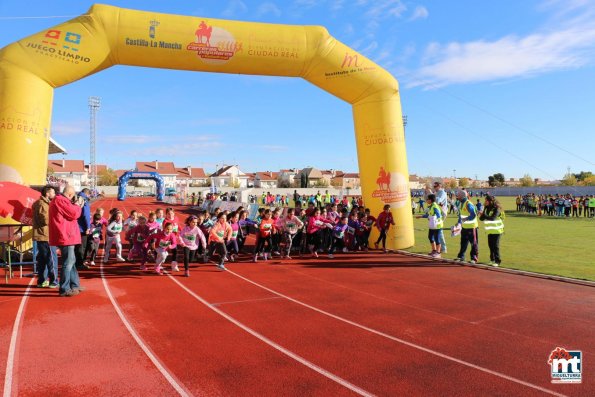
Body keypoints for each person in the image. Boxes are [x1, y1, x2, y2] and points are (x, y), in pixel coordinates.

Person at [49, 185, 83, 297]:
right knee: (67, 263)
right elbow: (74, 214)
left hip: (67, 235)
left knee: (71, 261)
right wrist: (77, 205)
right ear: (70, 194)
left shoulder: (60, 200)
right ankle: (64, 288)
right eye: (72, 196)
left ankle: (75, 285)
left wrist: (75, 205)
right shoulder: (60, 200)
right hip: (66, 235)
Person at [32, 185, 58, 288]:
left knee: (42, 259)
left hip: (41, 235)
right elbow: (46, 220)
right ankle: (54, 280)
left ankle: (42, 280)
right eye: (53, 192)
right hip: (46, 235)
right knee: (51, 259)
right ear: (47, 194)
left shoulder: (38, 203)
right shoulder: (43, 205)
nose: (54, 194)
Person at [479, 194, 504, 266]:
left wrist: (484, 215)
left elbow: (493, 218)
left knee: (495, 246)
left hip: (497, 230)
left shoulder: (497, 208)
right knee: (490, 245)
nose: (485, 201)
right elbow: (481, 219)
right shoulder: (486, 207)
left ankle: (497, 261)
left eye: (486, 200)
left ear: (490, 201)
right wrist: (481, 215)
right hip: (490, 230)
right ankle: (492, 260)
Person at [454, 190, 479, 263]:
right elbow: (461, 215)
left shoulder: (468, 203)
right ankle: (461, 256)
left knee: (473, 243)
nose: (457, 196)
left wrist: (465, 219)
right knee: (463, 242)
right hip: (464, 227)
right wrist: (458, 222)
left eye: (458, 195)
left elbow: (473, 215)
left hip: (472, 227)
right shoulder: (461, 203)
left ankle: (474, 258)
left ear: (462, 196)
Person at [416, 194, 443, 258]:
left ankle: (438, 253)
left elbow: (439, 215)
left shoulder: (435, 206)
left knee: (437, 239)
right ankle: (434, 250)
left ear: (430, 200)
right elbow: (429, 215)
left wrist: (437, 221)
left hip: (437, 225)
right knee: (430, 237)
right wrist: (421, 216)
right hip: (432, 225)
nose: (426, 200)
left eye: (427, 199)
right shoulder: (431, 206)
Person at [74, 188, 92, 270]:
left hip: (75, 225)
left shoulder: (76, 198)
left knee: (76, 245)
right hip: (82, 227)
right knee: (82, 246)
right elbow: (86, 215)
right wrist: (88, 227)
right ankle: (79, 263)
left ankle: (76, 262)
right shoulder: (84, 200)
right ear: (87, 194)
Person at [433, 181, 448, 254]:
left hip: (442, 213)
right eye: (434, 186)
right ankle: (440, 247)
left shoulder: (442, 192)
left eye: (436, 186)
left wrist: (434, 197)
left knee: (439, 230)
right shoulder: (436, 193)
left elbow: (438, 201)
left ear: (439, 186)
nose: (434, 188)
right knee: (436, 230)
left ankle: (443, 248)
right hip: (437, 212)